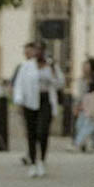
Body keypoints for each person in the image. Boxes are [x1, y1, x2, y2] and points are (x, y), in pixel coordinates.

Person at [12, 41, 61, 177]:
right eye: (36, 49)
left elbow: (59, 83)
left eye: (40, 49)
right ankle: (33, 162)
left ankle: (42, 161)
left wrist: (52, 70)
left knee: (43, 131)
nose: (37, 52)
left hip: (46, 100)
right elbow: (19, 84)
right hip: (30, 101)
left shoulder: (51, 65)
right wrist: (19, 100)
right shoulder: (26, 66)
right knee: (32, 133)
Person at [74, 57, 94, 151]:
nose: (85, 68)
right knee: (84, 124)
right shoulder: (83, 78)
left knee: (90, 123)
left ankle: (78, 143)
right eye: (84, 66)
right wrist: (78, 105)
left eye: (87, 65)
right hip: (86, 102)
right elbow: (81, 93)